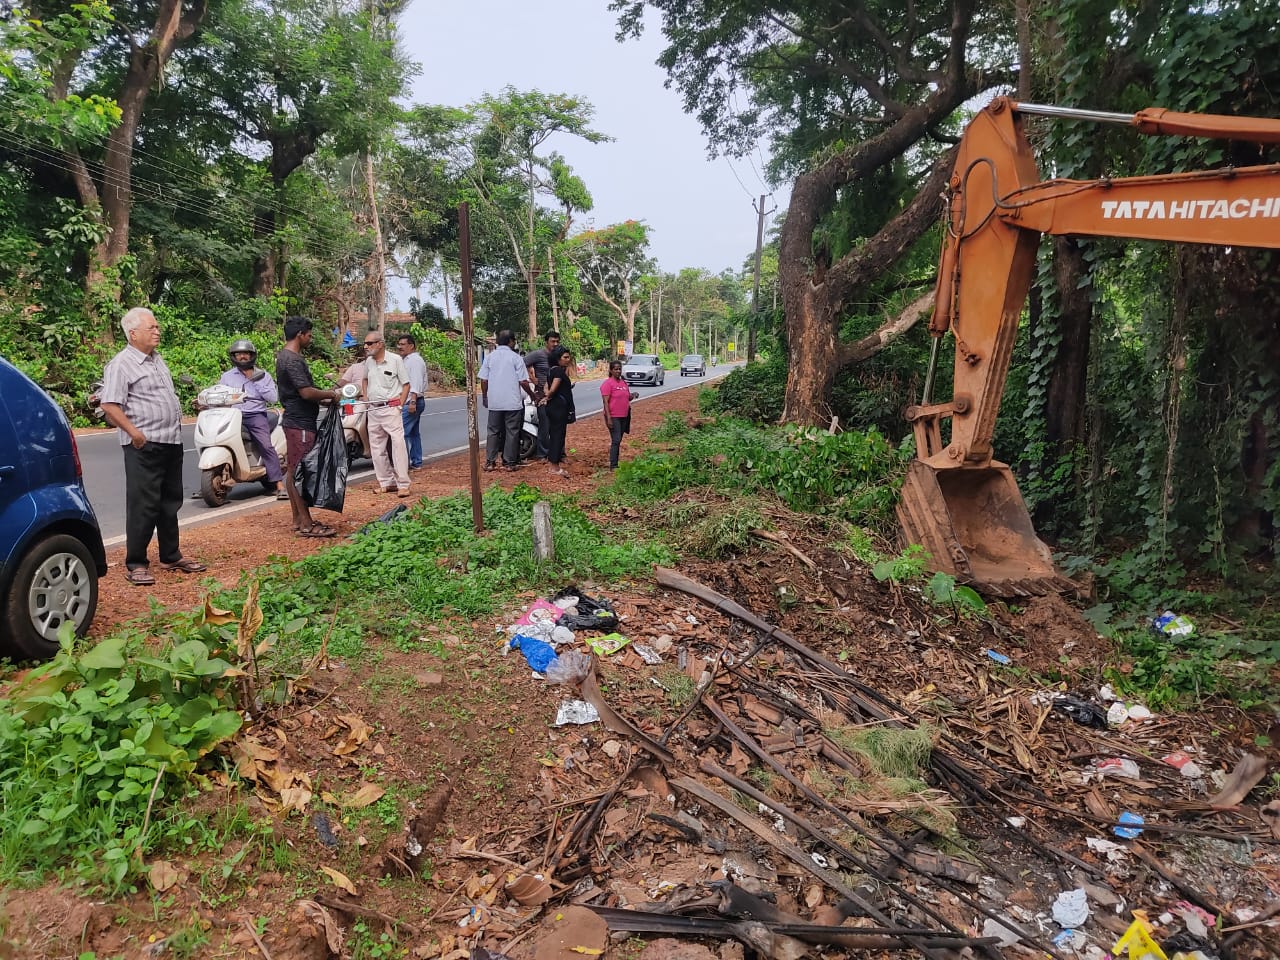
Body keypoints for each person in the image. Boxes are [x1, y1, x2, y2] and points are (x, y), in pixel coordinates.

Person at [99, 307, 206, 585]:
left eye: (157, 327)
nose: (158, 331)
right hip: (143, 445)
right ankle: (136, 563)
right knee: (143, 505)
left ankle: (170, 555)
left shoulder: (157, 360)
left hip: (170, 441)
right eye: (152, 328)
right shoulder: (121, 364)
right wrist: (134, 433)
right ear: (133, 334)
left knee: (170, 502)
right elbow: (109, 404)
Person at [275, 315, 341, 537]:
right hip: (300, 423)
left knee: (293, 470)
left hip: (296, 419)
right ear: (300, 335)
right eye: (309, 335)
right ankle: (306, 523)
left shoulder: (284, 356)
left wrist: (322, 400)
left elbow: (301, 393)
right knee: (301, 472)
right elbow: (305, 392)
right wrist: (332, 395)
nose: (310, 339)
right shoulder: (292, 360)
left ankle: (298, 519)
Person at [218, 339, 286, 499]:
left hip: (255, 415)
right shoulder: (227, 376)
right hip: (233, 415)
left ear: (252, 356)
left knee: (265, 445)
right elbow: (220, 395)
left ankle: (279, 485)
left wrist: (255, 380)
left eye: (245, 354)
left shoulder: (263, 375)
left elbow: (273, 398)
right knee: (218, 439)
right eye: (238, 354)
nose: (242, 357)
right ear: (233, 356)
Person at [360, 330, 411, 496]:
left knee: (398, 445)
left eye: (369, 343)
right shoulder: (369, 362)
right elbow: (364, 379)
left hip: (391, 408)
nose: (366, 346)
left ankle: (403, 484)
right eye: (365, 343)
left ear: (380, 344)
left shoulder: (395, 360)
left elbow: (406, 384)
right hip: (373, 409)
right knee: (376, 447)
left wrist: (400, 405)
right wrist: (366, 398)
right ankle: (386, 482)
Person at [479, 330, 536, 472]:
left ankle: (490, 462)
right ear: (511, 341)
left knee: (493, 431)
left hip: (495, 402)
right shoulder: (516, 358)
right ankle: (509, 462)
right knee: (512, 432)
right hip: (512, 402)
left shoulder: (490, 358)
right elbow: (523, 381)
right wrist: (531, 394)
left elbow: (484, 380)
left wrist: (485, 396)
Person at [522, 330, 560, 460]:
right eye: (552, 341)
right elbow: (522, 364)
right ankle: (542, 453)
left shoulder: (559, 356)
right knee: (544, 424)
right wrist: (532, 378)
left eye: (557, 341)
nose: (555, 344)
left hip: (557, 396)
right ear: (546, 342)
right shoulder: (538, 354)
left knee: (558, 426)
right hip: (542, 396)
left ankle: (558, 453)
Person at [540, 346, 576, 478]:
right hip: (558, 408)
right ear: (557, 358)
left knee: (556, 434)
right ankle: (554, 466)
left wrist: (547, 396)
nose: (568, 359)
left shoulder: (552, 371)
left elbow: (546, 387)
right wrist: (549, 396)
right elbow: (552, 389)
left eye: (568, 357)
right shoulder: (559, 372)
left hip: (555, 407)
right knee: (557, 435)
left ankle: (553, 463)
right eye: (565, 357)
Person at [600, 359, 639, 470]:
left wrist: (633, 395)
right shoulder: (607, 384)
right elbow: (605, 402)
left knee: (618, 439)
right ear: (611, 370)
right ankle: (613, 465)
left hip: (624, 416)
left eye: (619, 369)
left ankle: (615, 463)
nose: (618, 371)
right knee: (616, 440)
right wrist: (609, 418)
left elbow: (627, 397)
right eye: (615, 369)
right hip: (613, 416)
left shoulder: (623, 383)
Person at [397, 333, 428, 469]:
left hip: (412, 401)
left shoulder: (414, 361)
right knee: (414, 433)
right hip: (412, 401)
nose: (400, 347)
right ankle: (416, 462)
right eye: (399, 344)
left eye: (403, 344)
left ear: (411, 346)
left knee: (401, 433)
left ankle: (403, 464)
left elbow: (415, 382)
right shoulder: (406, 360)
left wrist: (413, 401)